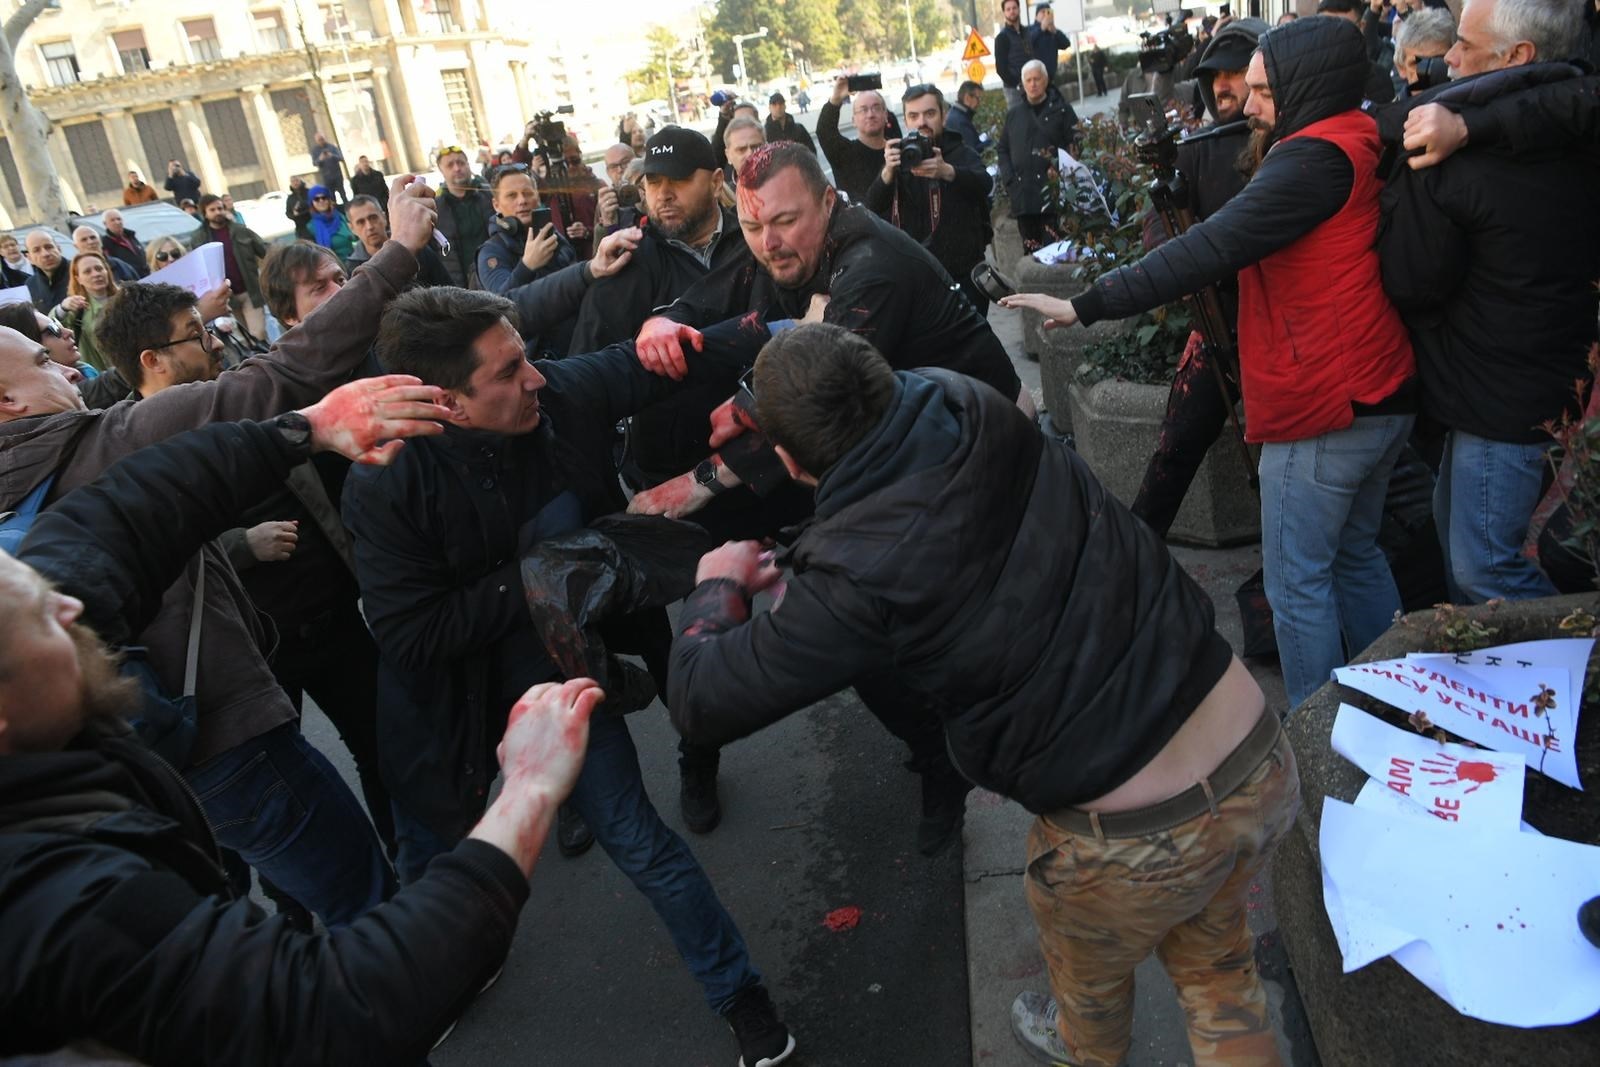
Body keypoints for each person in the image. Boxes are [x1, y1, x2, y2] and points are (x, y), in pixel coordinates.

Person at [666, 323, 1299, 1067]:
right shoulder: (965, 399)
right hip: (1255, 754)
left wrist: (718, 584)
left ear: (788, 460)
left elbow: (701, 698)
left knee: (1092, 1013)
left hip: (1134, 844)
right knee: (1221, 974)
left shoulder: (852, 576)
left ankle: (1077, 1043)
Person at [0, 381, 610, 1065]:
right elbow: (332, 1005)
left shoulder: (45, 624)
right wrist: (526, 790)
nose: (70, 609)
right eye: (42, 619)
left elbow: (126, 512)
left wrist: (303, 429)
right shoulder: (60, 906)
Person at [339, 286, 798, 1067]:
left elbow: (679, 354)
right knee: (433, 868)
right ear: (446, 402)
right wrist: (544, 577)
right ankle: (424, 990)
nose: (537, 378)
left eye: (526, 354)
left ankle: (740, 996)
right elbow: (412, 634)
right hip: (442, 712)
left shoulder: (559, 394)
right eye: (510, 369)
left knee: (641, 841)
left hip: (557, 681)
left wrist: (791, 324)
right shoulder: (384, 483)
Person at [0, 177, 441, 931]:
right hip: (216, 735)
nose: (65, 370)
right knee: (363, 909)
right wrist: (396, 251)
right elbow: (285, 377)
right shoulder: (107, 443)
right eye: (40, 367)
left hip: (142, 753)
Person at [1001, 15, 1416, 711]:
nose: (1247, 105)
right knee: (1355, 556)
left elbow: (1208, 248)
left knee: (1298, 584)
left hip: (1325, 407)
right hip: (1375, 393)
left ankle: (1321, 733)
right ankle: (1396, 707)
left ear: (1306, 88)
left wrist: (1088, 304)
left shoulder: (1310, 158)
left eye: (1262, 90)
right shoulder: (1355, 133)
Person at [1378, 0, 1598, 604]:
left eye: (1464, 46)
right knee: (1465, 555)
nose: (1447, 56)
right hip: (1516, 380)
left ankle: (1573, 677)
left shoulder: (1469, 151)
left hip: (1503, 392)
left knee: (1484, 568)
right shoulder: (1561, 121)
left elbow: (1414, 279)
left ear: (1517, 56)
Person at [1128, 17, 1268, 539]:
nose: (1224, 86)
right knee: (1175, 449)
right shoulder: (1193, 149)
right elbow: (1155, 229)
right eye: (1216, 75)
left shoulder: (1287, 145)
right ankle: (1136, 550)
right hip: (1216, 328)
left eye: (1237, 73)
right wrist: (1187, 263)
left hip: (1281, 330)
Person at [865, 84, 995, 316]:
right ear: (905, 121)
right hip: (918, 279)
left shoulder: (960, 152)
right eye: (913, 116)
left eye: (930, 114)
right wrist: (887, 173)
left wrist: (948, 172)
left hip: (963, 276)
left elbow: (985, 184)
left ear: (943, 116)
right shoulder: (900, 158)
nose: (921, 122)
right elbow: (872, 208)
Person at [998, 60, 1080, 252]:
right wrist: (1009, 180)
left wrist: (1061, 169)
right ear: (1022, 83)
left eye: (1037, 79)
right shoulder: (1014, 114)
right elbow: (1002, 149)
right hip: (1023, 198)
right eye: (1028, 80)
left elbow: (1077, 142)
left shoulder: (1062, 110)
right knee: (1030, 253)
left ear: (1046, 80)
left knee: (1056, 251)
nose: (1033, 84)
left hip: (1052, 196)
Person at [199, 193, 270, 337]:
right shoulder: (200, 238)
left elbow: (264, 250)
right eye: (212, 210)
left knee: (258, 333)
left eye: (220, 208)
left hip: (250, 291)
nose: (217, 212)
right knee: (245, 339)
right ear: (205, 213)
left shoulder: (240, 230)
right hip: (225, 298)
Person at [346, 193, 452, 285]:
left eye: (373, 218)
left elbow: (445, 285)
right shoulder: (353, 270)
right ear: (352, 228)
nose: (369, 226)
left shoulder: (416, 248)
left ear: (384, 217)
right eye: (361, 222)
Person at [817, 78, 894, 203]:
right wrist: (836, 99)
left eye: (876, 108)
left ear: (886, 115)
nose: (870, 114)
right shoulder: (844, 154)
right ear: (853, 120)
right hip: (860, 221)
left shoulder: (897, 151)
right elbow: (824, 131)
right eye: (863, 110)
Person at [433, 144, 496, 288]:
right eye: (450, 165)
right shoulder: (436, 208)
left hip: (494, 274)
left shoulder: (488, 196)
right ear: (442, 171)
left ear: (468, 165)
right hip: (462, 287)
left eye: (461, 163)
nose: (457, 168)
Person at [1317, 0, 1399, 103]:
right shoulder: (1303, 77)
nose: (1335, 38)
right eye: (1326, 29)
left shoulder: (1379, 79)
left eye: (1344, 29)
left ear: (1361, 26)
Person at [50, 252, 118, 373]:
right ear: (78, 279)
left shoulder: (126, 297)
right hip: (103, 375)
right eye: (87, 271)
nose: (96, 274)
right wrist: (62, 308)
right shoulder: (76, 308)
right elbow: (51, 325)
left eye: (99, 268)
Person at [1390, 6, 1457, 93]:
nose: (1427, 72)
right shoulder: (1393, 106)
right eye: (1416, 63)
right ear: (1401, 68)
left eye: (1437, 62)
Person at [23, 232, 71, 314]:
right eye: (36, 250)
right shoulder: (30, 285)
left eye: (49, 247)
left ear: (59, 249)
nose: (45, 254)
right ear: (29, 258)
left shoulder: (80, 271)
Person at [69, 227, 137, 284]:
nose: (90, 242)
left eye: (93, 237)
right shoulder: (73, 273)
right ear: (76, 246)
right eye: (84, 240)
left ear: (100, 241)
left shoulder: (121, 266)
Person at [306, 185, 355, 263]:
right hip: (334, 266)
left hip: (356, 259)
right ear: (312, 203)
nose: (321, 201)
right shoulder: (310, 227)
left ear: (329, 200)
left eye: (324, 197)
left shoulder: (342, 216)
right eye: (316, 199)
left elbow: (356, 237)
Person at [995, 0, 1030, 107]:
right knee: (1019, 120)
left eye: (1014, 8)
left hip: (1031, 84)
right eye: (1008, 9)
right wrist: (1017, 84)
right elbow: (1001, 69)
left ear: (1019, 9)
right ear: (1004, 13)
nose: (1012, 11)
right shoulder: (1002, 38)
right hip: (1014, 90)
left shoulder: (1027, 32)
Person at [98, 208, 149, 278]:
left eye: (119, 219)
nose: (117, 222)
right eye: (112, 220)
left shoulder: (131, 236)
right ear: (105, 224)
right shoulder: (105, 243)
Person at [1028, 2, 1073, 80]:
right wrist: (1041, 29)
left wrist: (1055, 31)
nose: (1045, 14)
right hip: (1036, 75)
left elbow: (1066, 44)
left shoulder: (1053, 31)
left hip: (1051, 75)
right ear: (1036, 16)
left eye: (1048, 12)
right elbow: (1027, 43)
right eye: (1042, 12)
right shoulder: (1030, 29)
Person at [722, 117, 767, 185]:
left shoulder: (785, 184)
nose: (750, 154)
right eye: (741, 149)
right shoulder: (724, 194)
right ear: (728, 156)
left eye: (756, 147)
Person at [946, 80, 985, 152]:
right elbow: (973, 151)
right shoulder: (961, 121)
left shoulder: (954, 114)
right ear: (967, 98)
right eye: (978, 98)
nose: (979, 102)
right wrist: (987, 142)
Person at [312, 132, 347, 205]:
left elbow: (341, 158)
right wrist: (320, 159)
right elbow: (314, 163)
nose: (321, 141)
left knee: (343, 195)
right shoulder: (315, 151)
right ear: (316, 141)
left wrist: (332, 156)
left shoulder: (332, 147)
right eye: (319, 140)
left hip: (337, 175)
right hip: (326, 177)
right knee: (331, 198)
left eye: (322, 139)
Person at [285, 175, 314, 240]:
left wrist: (301, 212)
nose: (295, 183)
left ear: (300, 181)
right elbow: (288, 212)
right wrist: (293, 215)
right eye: (293, 181)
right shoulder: (290, 198)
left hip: (312, 223)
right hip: (300, 228)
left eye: (297, 180)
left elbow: (313, 206)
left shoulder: (309, 192)